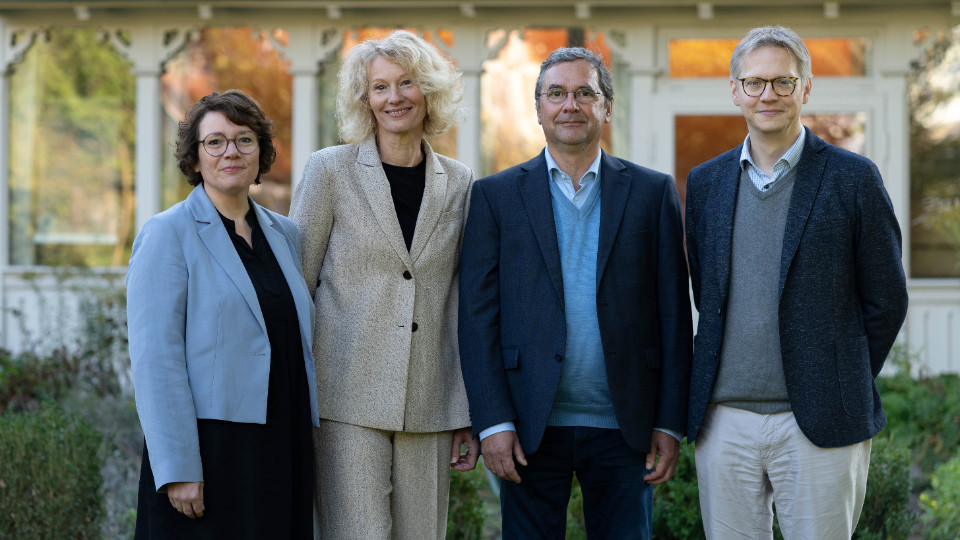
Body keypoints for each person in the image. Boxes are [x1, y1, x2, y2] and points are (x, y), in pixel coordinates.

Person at [684, 25, 910, 539]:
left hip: (821, 420)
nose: (768, 94)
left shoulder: (854, 178)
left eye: (783, 82)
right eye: (755, 82)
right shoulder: (705, 183)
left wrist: (840, 374)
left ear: (805, 88)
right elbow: (706, 291)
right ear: (735, 90)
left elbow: (886, 299)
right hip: (724, 420)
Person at [458, 47, 693, 539]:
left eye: (585, 93)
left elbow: (673, 315)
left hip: (626, 424)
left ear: (606, 107)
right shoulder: (496, 196)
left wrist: (669, 421)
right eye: (557, 93)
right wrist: (493, 421)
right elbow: (477, 319)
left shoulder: (652, 193)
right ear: (538, 108)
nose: (570, 105)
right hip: (527, 424)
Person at [288, 30, 478, 540]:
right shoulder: (329, 171)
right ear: (364, 98)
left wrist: (465, 408)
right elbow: (296, 286)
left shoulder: (460, 182)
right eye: (380, 87)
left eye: (407, 82)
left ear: (429, 90)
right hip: (344, 399)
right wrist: (291, 394)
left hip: (430, 400)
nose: (395, 97)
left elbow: (463, 300)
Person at [127, 89, 319, 539]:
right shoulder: (167, 233)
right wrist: (178, 467)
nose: (231, 151)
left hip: (282, 445)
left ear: (261, 152)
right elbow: (156, 361)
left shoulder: (285, 234)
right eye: (215, 142)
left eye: (244, 139)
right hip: (210, 452)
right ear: (195, 158)